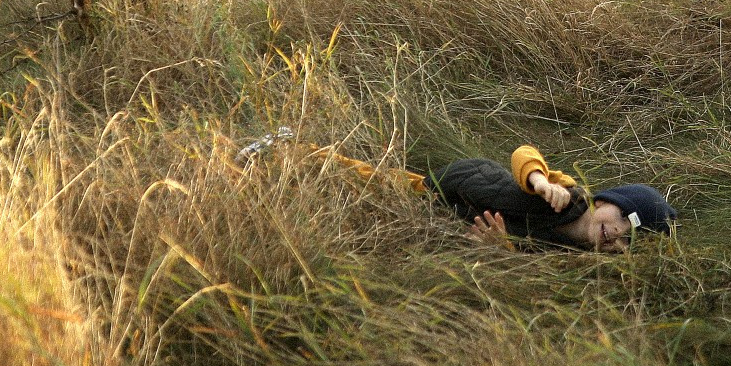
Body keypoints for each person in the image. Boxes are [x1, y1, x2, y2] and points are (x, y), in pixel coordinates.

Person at [236, 129, 676, 252]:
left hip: (449, 215)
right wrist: (541, 182)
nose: (619, 234)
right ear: (607, 203)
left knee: (364, 189)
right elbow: (524, 153)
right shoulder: (569, 195)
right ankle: (283, 147)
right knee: (367, 182)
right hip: (462, 183)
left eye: (632, 239)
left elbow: (519, 252)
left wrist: (501, 248)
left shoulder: (570, 257)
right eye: (627, 220)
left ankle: (281, 159)